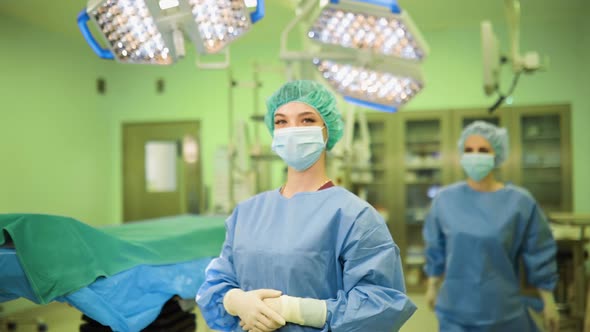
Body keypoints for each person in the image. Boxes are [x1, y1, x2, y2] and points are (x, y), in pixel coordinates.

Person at [196, 80, 416, 332]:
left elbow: (380, 306)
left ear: (327, 130)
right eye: (281, 121)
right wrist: (236, 301)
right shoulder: (246, 213)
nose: (292, 130)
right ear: (272, 130)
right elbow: (216, 283)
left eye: (307, 120)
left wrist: (295, 310)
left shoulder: (355, 217)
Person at [423, 121, 559, 332]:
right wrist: (432, 285)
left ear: (497, 154)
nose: (474, 155)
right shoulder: (445, 200)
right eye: (468, 150)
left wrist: (548, 301)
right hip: (455, 311)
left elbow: (539, 251)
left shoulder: (519, 202)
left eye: (482, 150)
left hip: (503, 311)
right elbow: (436, 248)